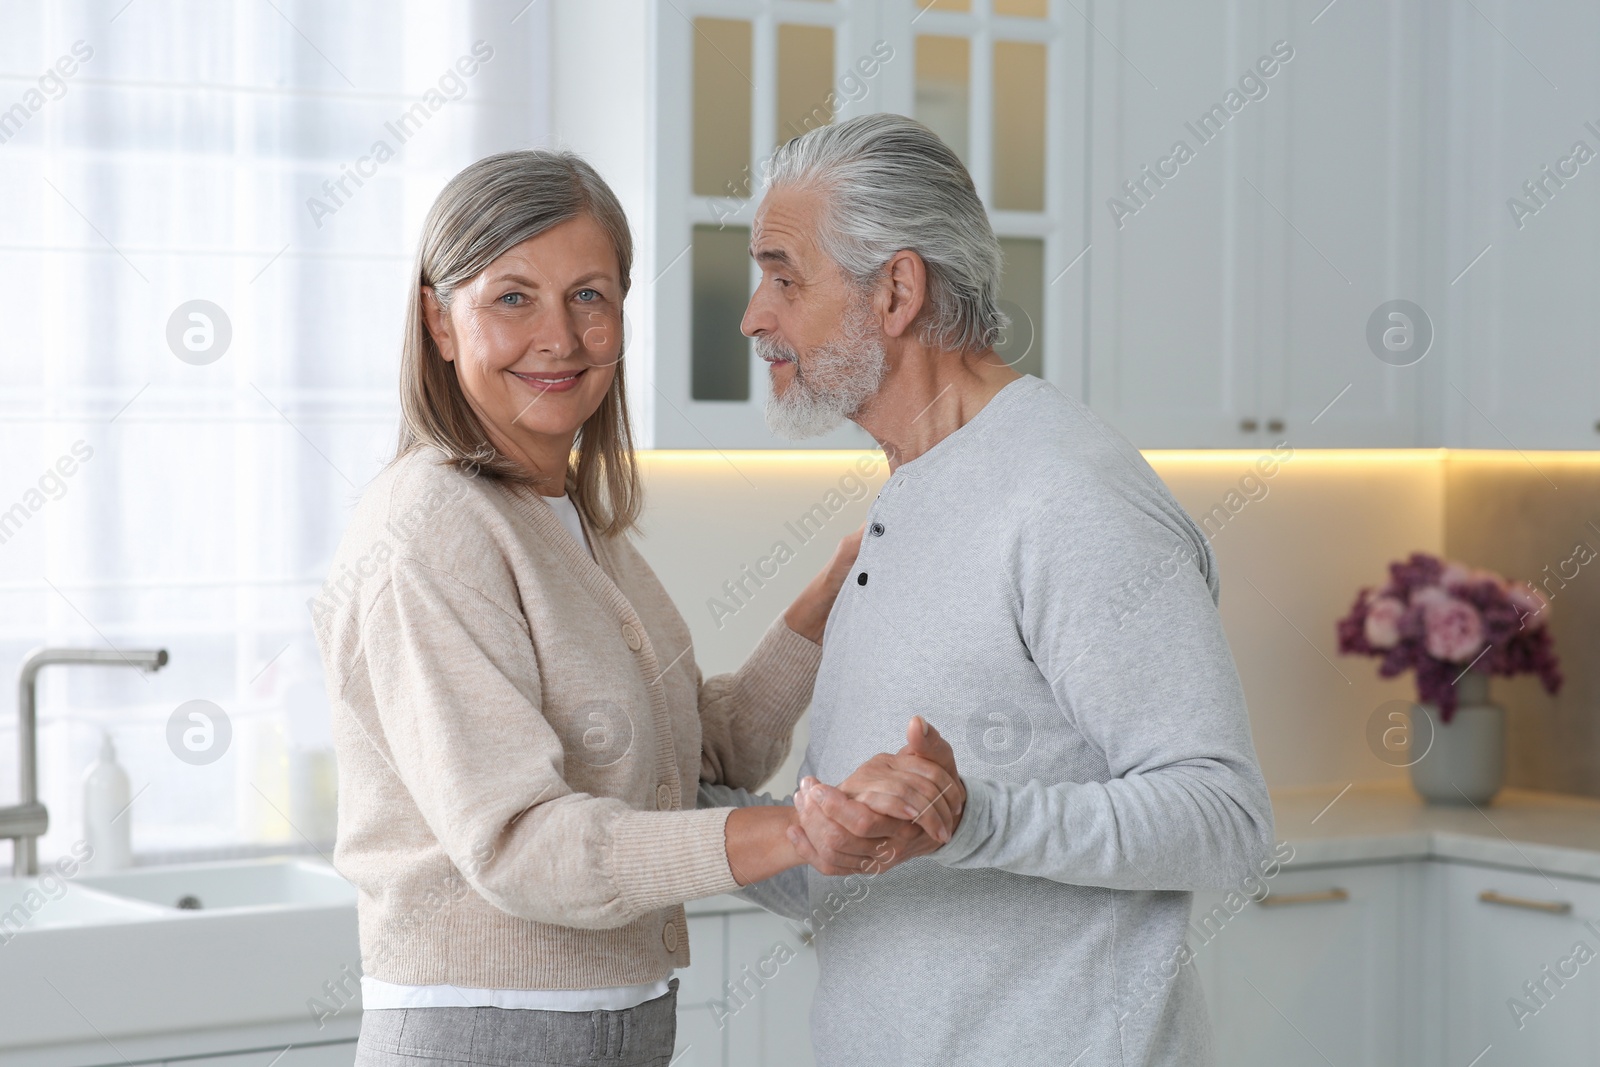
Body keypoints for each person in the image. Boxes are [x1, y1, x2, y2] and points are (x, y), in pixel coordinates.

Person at [310, 148, 958, 1067]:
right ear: (437, 321)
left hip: (617, 1025)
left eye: (590, 295)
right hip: (487, 1032)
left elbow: (706, 748)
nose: (561, 339)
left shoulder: (571, 518)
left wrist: (836, 588)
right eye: (512, 298)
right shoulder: (427, 530)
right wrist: (798, 831)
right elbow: (521, 844)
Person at [704, 113, 1277, 1066]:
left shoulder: (1067, 494)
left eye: (784, 275)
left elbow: (1227, 820)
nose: (754, 315)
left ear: (895, 289)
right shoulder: (913, 490)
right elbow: (862, 870)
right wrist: (671, 801)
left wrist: (975, 819)